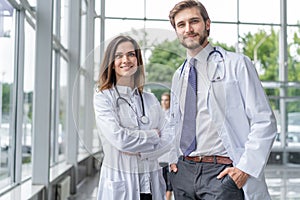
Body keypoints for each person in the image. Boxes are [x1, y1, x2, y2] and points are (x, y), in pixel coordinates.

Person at [167, 1, 277, 200]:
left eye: (194, 21)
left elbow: (264, 121)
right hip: (184, 173)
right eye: (181, 25)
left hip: (221, 173)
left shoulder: (237, 64)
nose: (188, 29)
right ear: (176, 31)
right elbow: (174, 122)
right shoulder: (179, 75)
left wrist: (244, 169)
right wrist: (171, 158)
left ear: (207, 24)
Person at [93, 35, 172, 200]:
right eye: (119, 56)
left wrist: (138, 150)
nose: (126, 60)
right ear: (111, 63)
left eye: (131, 54)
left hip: (150, 185)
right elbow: (120, 139)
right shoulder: (103, 97)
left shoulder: (150, 99)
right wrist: (153, 135)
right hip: (122, 186)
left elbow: (168, 138)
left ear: (138, 60)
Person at [158, 92, 173, 200]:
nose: (164, 102)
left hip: (170, 152)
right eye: (162, 100)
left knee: (169, 180)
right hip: (160, 153)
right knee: (160, 179)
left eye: (166, 100)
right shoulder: (157, 115)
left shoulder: (173, 115)